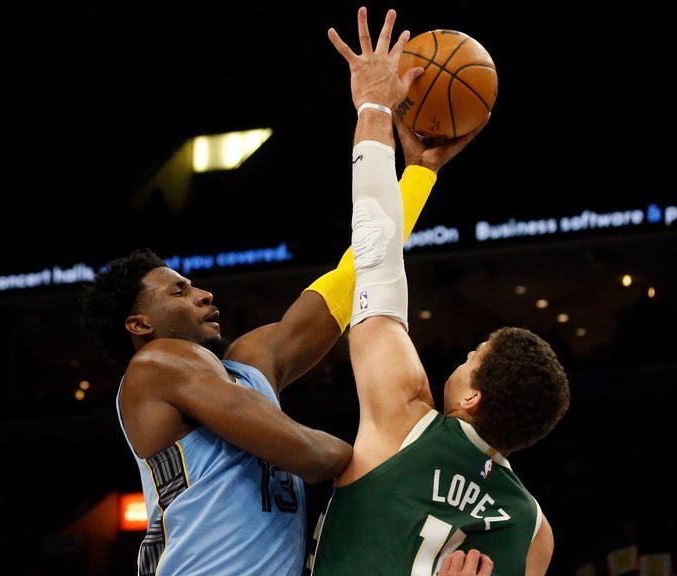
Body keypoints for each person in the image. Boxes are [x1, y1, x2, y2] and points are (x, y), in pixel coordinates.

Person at [80, 31, 477, 576]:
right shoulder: (156, 366)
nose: (203, 293)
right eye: (179, 291)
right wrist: (389, 457)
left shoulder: (249, 364)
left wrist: (417, 172)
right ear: (139, 324)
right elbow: (309, 455)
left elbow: (355, 273)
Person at [310, 7, 570, 576]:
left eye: (472, 358)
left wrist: (374, 108)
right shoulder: (534, 531)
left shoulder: (404, 418)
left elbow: (375, 255)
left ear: (471, 399)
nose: (462, 357)